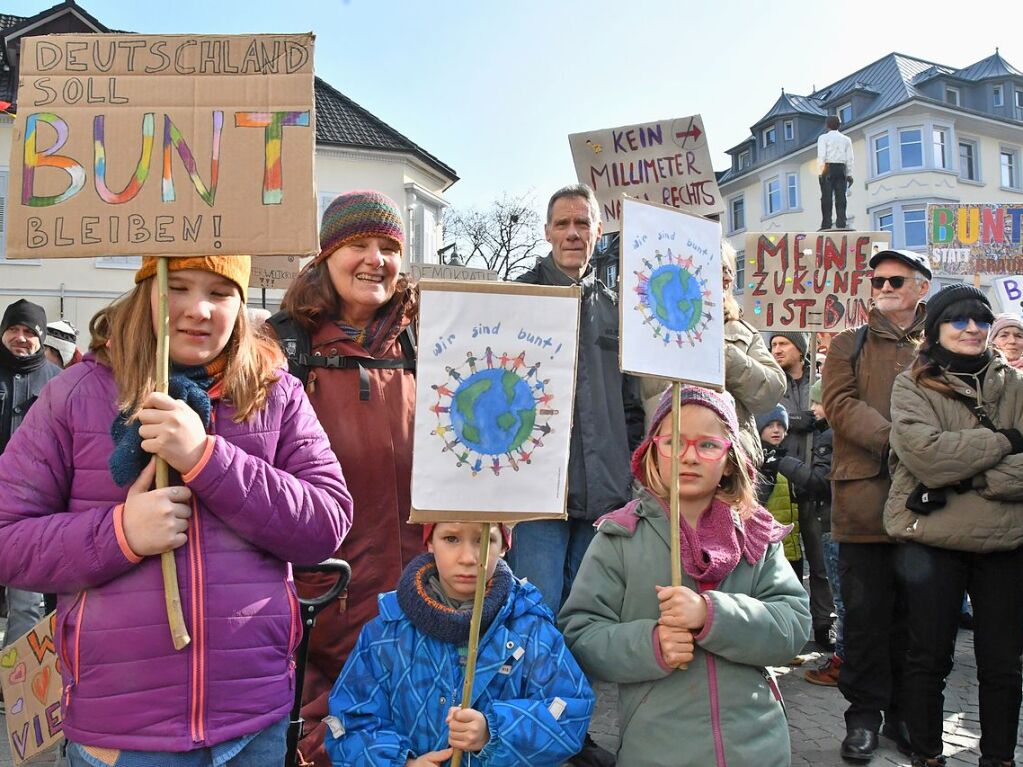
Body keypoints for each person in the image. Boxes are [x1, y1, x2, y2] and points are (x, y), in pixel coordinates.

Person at [0, 255, 352, 765]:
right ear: (146, 290)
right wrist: (121, 533)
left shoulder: (276, 393)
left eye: (220, 292)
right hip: (121, 736)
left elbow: (327, 523)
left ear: (241, 304)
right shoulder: (74, 394)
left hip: (255, 725)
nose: (199, 309)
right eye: (179, 286)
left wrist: (208, 459)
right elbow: (8, 538)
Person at [560, 385, 811, 767]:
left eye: (707, 445)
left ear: (730, 459)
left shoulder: (756, 534)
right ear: (652, 452)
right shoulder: (620, 537)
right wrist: (651, 644)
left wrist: (713, 615)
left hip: (758, 748)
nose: (688, 457)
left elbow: (792, 625)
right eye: (673, 442)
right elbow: (581, 632)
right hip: (657, 750)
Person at [272, 190, 421, 766]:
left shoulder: (430, 342)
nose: (374, 259)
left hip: (418, 596)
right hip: (319, 601)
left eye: (387, 247)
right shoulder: (281, 347)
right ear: (327, 253)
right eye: (358, 244)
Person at [885, 285, 1023, 767]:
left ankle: (1000, 759)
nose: (972, 329)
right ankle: (927, 756)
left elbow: (948, 464)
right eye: (958, 320)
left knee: (1003, 665)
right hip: (933, 542)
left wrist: (972, 472)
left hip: (1005, 542)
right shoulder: (912, 384)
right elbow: (925, 456)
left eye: (981, 321)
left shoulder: (1017, 386)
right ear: (936, 329)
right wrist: (1005, 441)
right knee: (928, 659)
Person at [325, 521, 593, 766]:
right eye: (451, 538)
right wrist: (400, 763)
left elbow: (570, 714)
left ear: (504, 546)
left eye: (484, 540)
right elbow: (349, 723)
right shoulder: (386, 633)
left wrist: (494, 730)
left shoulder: (530, 630)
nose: (468, 558)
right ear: (430, 542)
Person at [510, 183, 643, 613]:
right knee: (537, 610)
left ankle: (578, 685)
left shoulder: (620, 311)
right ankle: (536, 683)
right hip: (537, 496)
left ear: (598, 231)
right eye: (562, 223)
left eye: (582, 223)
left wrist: (631, 474)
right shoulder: (517, 298)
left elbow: (631, 406)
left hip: (605, 491)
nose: (572, 233)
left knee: (587, 614)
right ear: (547, 231)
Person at [822, 248, 932, 762]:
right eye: (878, 281)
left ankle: (904, 717)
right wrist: (900, 440)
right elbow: (840, 406)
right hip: (864, 501)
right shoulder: (848, 342)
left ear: (921, 287)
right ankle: (862, 718)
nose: (884, 288)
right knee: (864, 619)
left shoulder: (941, 344)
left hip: (927, 506)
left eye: (896, 280)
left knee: (916, 621)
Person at [0, 299, 60, 655]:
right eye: (13, 330)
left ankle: (12, 685)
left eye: (29, 332)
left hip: (32, 509)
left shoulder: (59, 382)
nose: (20, 338)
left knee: (27, 603)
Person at [770, 329, 835, 647]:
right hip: (781, 486)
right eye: (773, 345)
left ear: (800, 347)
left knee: (821, 564)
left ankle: (826, 625)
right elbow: (760, 417)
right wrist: (796, 420)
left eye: (783, 343)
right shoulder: (770, 382)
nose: (777, 349)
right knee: (785, 564)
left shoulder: (821, 380)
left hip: (815, 484)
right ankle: (791, 625)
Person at [801, 380, 844, 686]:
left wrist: (785, 463)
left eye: (817, 403)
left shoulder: (831, 435)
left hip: (832, 520)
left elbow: (819, 479)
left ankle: (843, 661)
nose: (813, 409)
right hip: (834, 519)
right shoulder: (826, 432)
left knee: (840, 596)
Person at [756, 405, 803, 577]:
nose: (776, 430)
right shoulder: (759, 461)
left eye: (780, 425)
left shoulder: (785, 459)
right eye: (769, 425)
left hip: (791, 547)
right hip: (768, 549)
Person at [817, 115, 854, 230]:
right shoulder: (846, 139)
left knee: (827, 197)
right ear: (839, 125)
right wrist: (849, 174)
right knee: (841, 197)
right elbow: (850, 158)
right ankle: (841, 221)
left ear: (827, 125)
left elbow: (821, 155)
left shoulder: (823, 138)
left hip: (828, 167)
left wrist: (820, 172)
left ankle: (826, 223)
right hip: (841, 168)